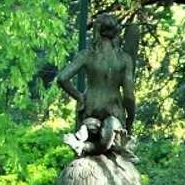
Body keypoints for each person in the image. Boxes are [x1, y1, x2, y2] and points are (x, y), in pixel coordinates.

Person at [55, 12, 136, 157]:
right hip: (114, 110)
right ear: (117, 32)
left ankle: (82, 148)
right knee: (116, 155)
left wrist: (79, 97)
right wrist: (130, 120)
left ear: (96, 31)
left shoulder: (87, 55)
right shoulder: (125, 59)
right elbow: (129, 96)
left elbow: (62, 78)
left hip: (90, 108)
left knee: (84, 156)